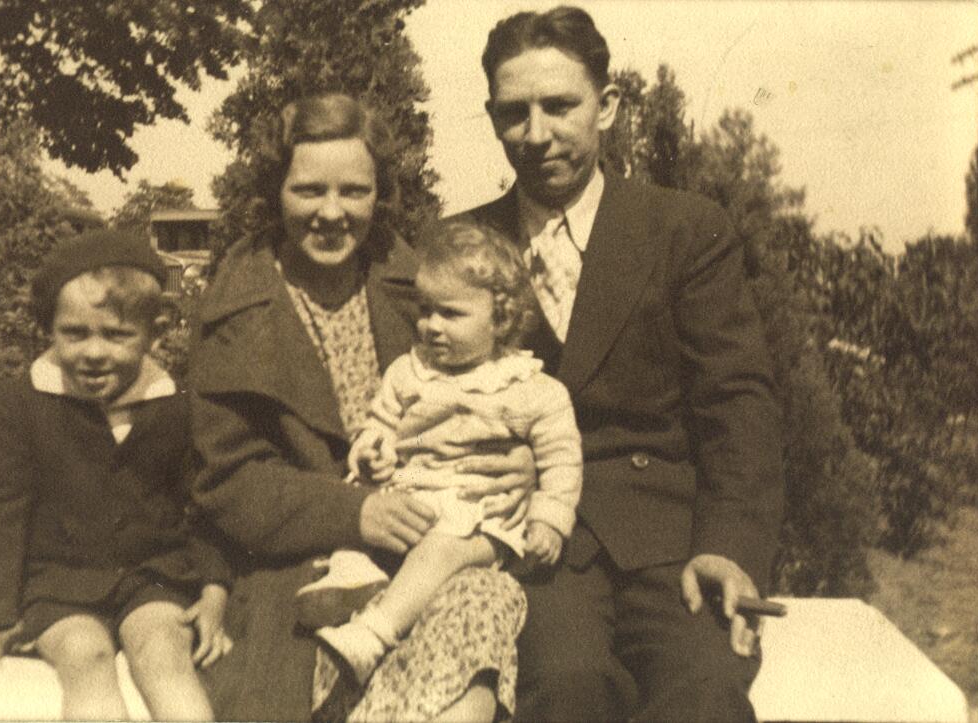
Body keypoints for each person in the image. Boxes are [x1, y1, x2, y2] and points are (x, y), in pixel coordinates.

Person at [449, 6, 785, 721]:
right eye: (514, 113)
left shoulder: (684, 229)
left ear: (609, 107)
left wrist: (730, 547)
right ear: (492, 117)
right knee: (564, 686)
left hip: (669, 546)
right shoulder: (461, 245)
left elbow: (738, 404)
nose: (537, 135)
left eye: (560, 105)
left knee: (704, 688)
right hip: (534, 546)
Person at [190, 93, 534, 723]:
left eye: (354, 191)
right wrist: (357, 513)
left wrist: (521, 463)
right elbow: (228, 481)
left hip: (428, 545)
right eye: (308, 191)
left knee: (474, 630)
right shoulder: (236, 308)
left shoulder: (425, 288)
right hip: (291, 566)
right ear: (276, 192)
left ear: (379, 193)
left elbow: (507, 388)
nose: (331, 213)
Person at [0, 230, 232, 721]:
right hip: (57, 584)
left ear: (154, 333)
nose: (94, 352)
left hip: (152, 577)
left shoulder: (173, 404)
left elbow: (206, 501)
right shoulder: (25, 404)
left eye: (116, 335)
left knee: (164, 653)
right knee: (84, 657)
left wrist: (214, 588)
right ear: (49, 328)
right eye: (75, 333)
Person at [310, 221, 583, 686]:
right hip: (415, 493)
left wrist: (549, 520)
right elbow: (380, 424)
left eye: (451, 314)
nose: (431, 326)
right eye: (426, 310)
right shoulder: (408, 371)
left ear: (501, 319)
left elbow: (562, 460)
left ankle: (374, 634)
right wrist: (372, 451)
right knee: (363, 512)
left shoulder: (533, 390)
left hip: (480, 513)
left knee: (444, 546)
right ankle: (351, 581)